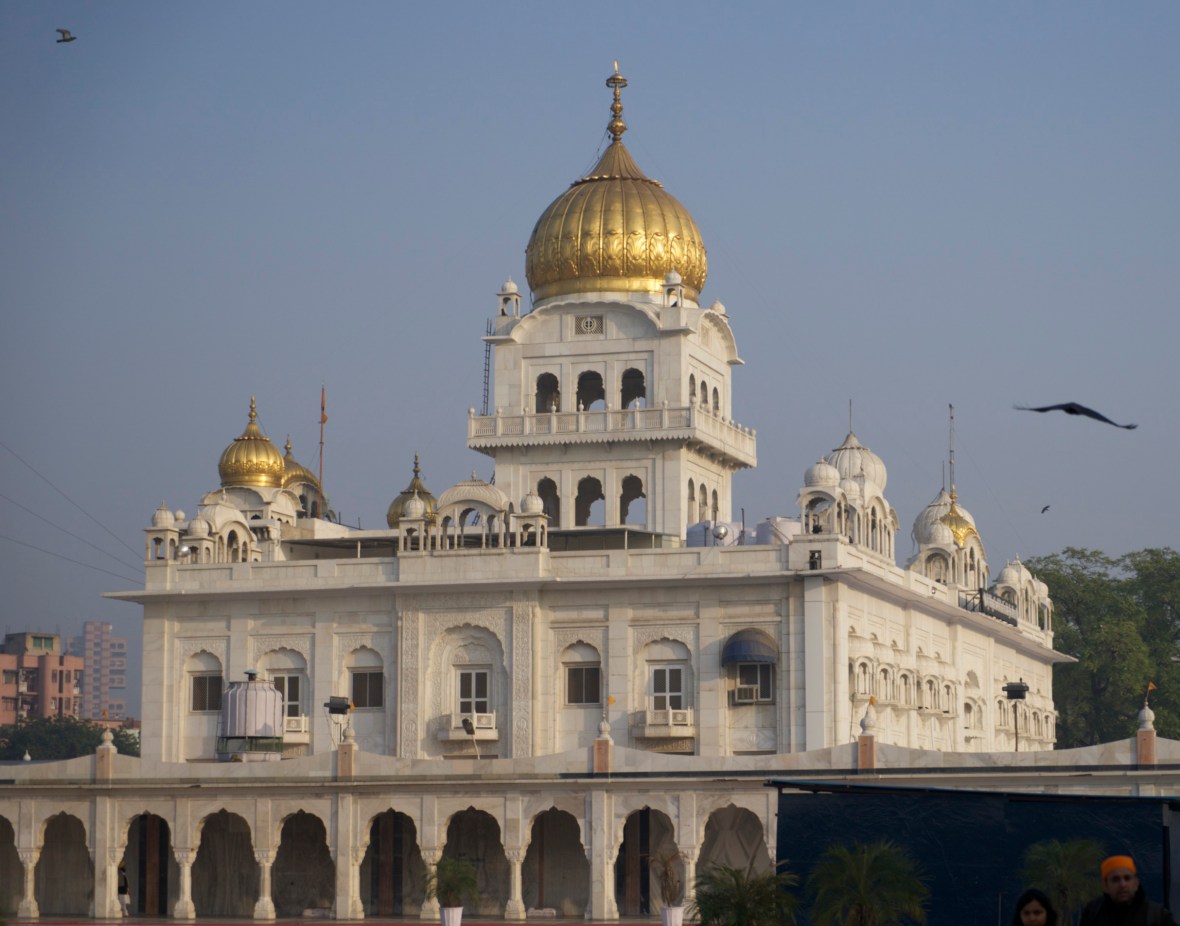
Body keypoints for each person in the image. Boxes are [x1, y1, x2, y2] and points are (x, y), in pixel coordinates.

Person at [1078, 855, 1178, 926]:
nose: (1122, 884)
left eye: (1127, 878)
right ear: (1105, 886)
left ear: (1136, 883)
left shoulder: (1157, 915)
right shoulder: (1093, 912)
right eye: (1115, 879)